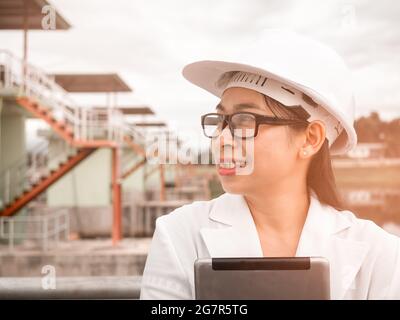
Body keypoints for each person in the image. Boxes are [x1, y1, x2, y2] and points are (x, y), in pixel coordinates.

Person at [140, 29, 400, 299]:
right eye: (221, 121)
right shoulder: (179, 235)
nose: (222, 139)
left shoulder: (381, 254)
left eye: (244, 120)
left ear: (310, 138)